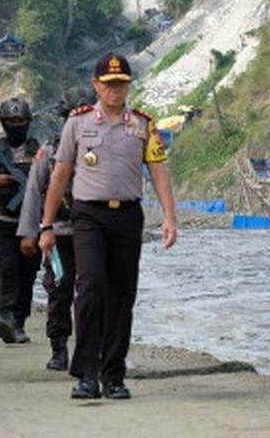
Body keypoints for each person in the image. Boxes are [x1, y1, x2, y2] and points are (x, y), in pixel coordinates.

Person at [38, 53, 178, 401]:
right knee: (90, 289)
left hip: (128, 217)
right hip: (88, 216)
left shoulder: (143, 124)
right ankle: (86, 373)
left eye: (122, 84)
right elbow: (60, 175)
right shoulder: (78, 123)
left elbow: (158, 171)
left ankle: (113, 374)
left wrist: (170, 217)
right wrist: (46, 225)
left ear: (129, 86)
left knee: (121, 295)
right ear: (96, 86)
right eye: (109, 84)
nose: (115, 90)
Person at [18, 85, 95, 371]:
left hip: (94, 234)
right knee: (59, 289)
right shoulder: (49, 151)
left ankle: (90, 349)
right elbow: (34, 192)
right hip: (60, 233)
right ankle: (59, 346)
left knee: (93, 293)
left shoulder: (101, 144)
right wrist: (30, 233)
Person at [0, 97, 41, 344]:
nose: (16, 125)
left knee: (28, 272)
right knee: (5, 268)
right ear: (3, 123)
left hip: (32, 220)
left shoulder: (39, 151)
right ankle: (6, 317)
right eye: (11, 121)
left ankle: (20, 321)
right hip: (3, 218)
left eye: (20, 120)